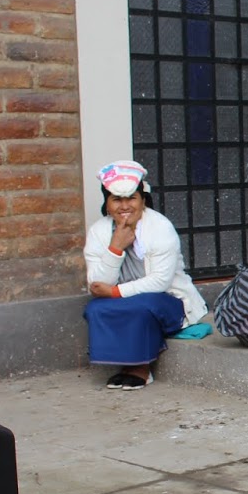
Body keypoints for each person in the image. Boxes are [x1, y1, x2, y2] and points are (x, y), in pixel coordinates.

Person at [82, 160, 209, 390]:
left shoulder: (160, 227)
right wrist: (115, 247)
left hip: (166, 300)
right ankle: (123, 364)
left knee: (142, 306)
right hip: (122, 298)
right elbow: (98, 283)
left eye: (131, 198)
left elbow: (160, 282)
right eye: (116, 199)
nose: (124, 206)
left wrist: (114, 292)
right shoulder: (98, 232)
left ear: (142, 200)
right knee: (95, 308)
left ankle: (140, 367)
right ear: (107, 204)